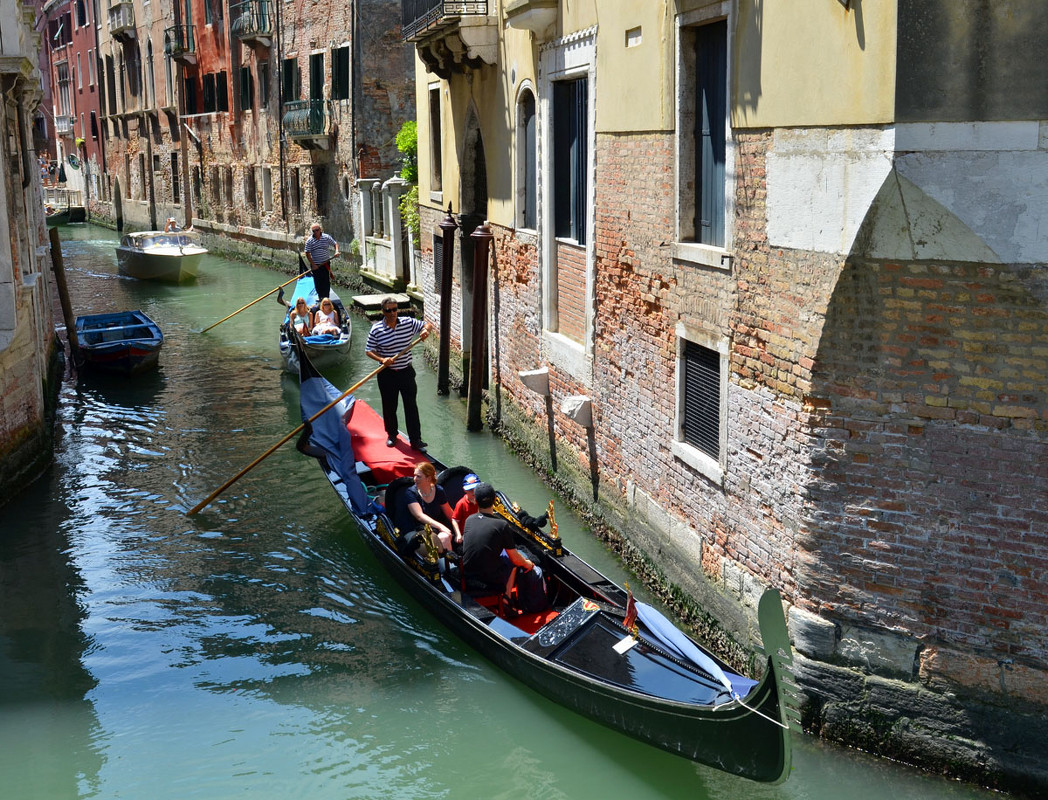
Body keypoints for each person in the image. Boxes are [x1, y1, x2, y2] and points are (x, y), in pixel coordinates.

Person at [462, 483, 546, 612]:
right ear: (495, 499)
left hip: (467, 576)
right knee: (517, 559)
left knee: (507, 557)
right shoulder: (501, 525)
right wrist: (529, 564)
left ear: (475, 500)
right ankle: (507, 598)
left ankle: (506, 598)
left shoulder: (469, 520)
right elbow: (515, 559)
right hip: (489, 581)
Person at [365, 296, 433, 451]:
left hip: (406, 372)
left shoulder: (408, 323)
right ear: (383, 311)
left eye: (395, 309)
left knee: (411, 406)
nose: (392, 313)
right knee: (389, 406)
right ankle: (392, 435)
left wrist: (424, 331)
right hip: (387, 374)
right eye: (389, 310)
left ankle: (416, 440)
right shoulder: (376, 329)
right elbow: (368, 350)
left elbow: (427, 324)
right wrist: (382, 359)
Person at [396, 462, 459, 553]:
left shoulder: (439, 491)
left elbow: (449, 513)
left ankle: (448, 562)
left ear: (428, 478)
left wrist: (460, 529)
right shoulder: (410, 493)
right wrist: (441, 527)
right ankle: (447, 563)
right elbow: (419, 516)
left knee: (445, 537)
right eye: (414, 476)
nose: (415, 479)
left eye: (418, 476)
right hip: (414, 531)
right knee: (444, 537)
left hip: (433, 529)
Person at [304, 222, 339, 301]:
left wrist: (336, 251)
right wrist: (313, 264)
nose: (316, 232)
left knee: (326, 281)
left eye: (317, 230)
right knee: (318, 282)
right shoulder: (310, 240)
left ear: (320, 230)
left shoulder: (326, 237)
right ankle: (320, 297)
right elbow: (307, 252)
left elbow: (335, 244)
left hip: (326, 263)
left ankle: (326, 298)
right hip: (316, 264)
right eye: (314, 231)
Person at [451, 473, 481, 544]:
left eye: (475, 489)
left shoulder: (481, 499)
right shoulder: (461, 503)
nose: (473, 492)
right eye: (470, 489)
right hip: (466, 535)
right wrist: (458, 534)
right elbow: (455, 520)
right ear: (464, 490)